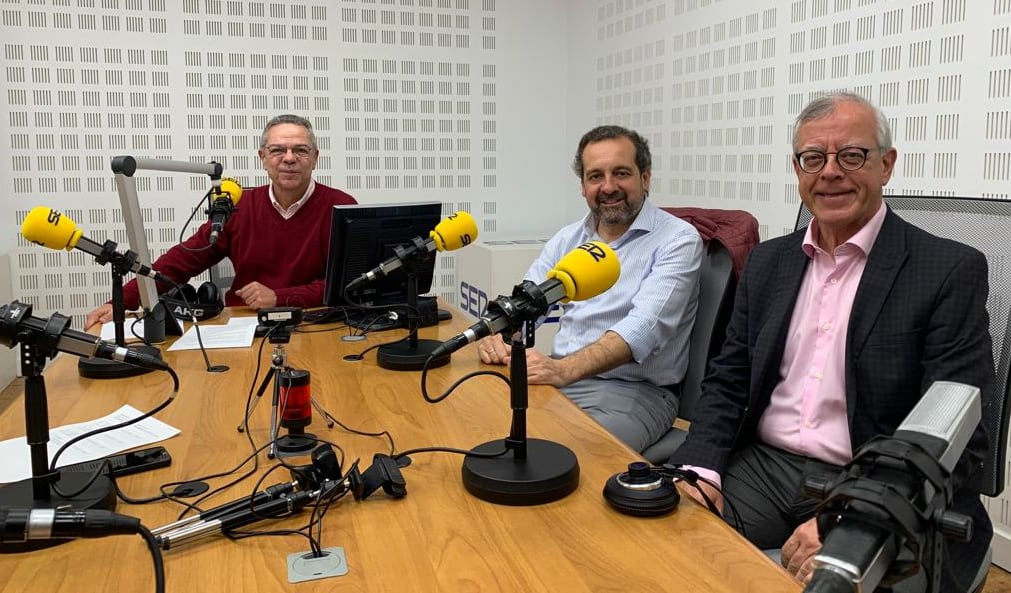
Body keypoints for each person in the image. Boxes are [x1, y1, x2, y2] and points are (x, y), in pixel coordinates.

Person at [669, 92, 995, 592]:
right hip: (766, 465)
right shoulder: (769, 263)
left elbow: (956, 432)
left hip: (876, 476)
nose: (830, 172)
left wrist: (859, 511)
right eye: (813, 158)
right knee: (665, 544)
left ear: (886, 165)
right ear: (797, 169)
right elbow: (728, 378)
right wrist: (700, 470)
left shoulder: (948, 270)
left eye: (852, 155)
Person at [477, 125, 704, 452]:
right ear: (583, 187)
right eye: (595, 176)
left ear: (646, 177)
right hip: (560, 381)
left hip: (635, 392)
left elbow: (644, 328)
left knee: (556, 456)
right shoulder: (568, 239)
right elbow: (525, 301)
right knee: (482, 430)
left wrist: (562, 369)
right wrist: (496, 334)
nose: (608, 186)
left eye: (621, 173)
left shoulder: (678, 240)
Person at [85, 114, 357, 329]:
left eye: (300, 150)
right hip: (247, 325)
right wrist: (122, 302)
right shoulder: (237, 205)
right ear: (262, 158)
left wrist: (279, 297)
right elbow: (182, 261)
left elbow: (351, 282)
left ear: (315, 158)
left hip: (316, 324)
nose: (288, 158)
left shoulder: (341, 207)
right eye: (277, 150)